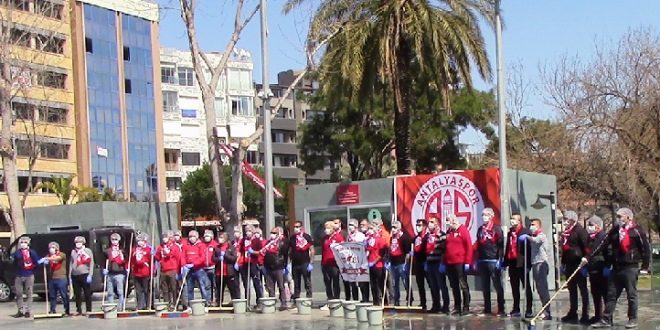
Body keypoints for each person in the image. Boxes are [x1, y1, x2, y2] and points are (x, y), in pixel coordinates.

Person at [592, 208, 651, 329]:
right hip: (617, 266)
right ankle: (606, 318)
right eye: (617, 216)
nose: (618, 219)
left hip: (630, 266)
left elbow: (645, 249)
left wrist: (645, 266)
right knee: (611, 294)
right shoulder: (615, 230)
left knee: (631, 294)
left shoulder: (636, 230)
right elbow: (603, 243)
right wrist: (589, 256)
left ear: (628, 217)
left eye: (620, 216)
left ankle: (632, 318)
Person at [560, 210, 590, 324]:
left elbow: (586, 246)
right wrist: (563, 263)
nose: (564, 221)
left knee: (582, 289)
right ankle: (573, 312)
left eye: (566, 219)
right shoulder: (566, 232)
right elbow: (564, 248)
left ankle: (585, 313)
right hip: (569, 263)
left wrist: (586, 259)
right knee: (572, 289)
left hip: (579, 263)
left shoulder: (579, 231)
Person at [519, 218, 552, 321]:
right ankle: (544, 309)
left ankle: (547, 311)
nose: (531, 226)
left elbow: (536, 241)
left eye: (533, 225)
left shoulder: (541, 236)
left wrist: (527, 237)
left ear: (539, 226)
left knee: (543, 288)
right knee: (538, 288)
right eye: (530, 225)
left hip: (541, 263)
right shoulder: (533, 236)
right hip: (534, 263)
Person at [475, 207, 505, 316]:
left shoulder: (496, 228)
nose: (484, 216)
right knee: (485, 286)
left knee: (497, 285)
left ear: (491, 216)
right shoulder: (480, 229)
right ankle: (487, 308)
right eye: (483, 214)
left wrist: (500, 259)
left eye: (486, 214)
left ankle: (501, 308)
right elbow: (478, 244)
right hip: (483, 260)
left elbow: (501, 245)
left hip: (493, 259)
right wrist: (477, 259)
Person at [503, 213, 533, 318]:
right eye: (511, 218)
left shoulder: (525, 232)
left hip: (522, 263)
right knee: (514, 287)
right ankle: (516, 309)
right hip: (512, 262)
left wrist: (529, 264)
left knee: (526, 287)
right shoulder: (511, 232)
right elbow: (508, 247)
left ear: (519, 221)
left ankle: (529, 309)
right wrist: (505, 261)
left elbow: (529, 249)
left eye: (514, 219)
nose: (512, 220)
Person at [444, 214, 473, 316]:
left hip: (460, 262)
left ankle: (466, 306)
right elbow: (446, 246)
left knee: (463, 284)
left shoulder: (463, 230)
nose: (447, 223)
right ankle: (457, 307)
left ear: (453, 220)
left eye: (448, 221)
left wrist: (468, 262)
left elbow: (469, 246)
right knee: (454, 285)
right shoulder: (449, 232)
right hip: (449, 262)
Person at [12, 236, 45, 318]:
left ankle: (28, 310)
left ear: (28, 244)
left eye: (25, 243)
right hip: (19, 275)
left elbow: (37, 261)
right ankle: (20, 310)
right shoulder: (17, 252)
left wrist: (35, 266)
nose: (23, 244)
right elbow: (13, 260)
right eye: (22, 243)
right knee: (19, 293)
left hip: (29, 274)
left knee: (29, 293)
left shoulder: (32, 252)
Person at [585, 215, 610, 324]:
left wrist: (607, 266)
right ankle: (597, 315)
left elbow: (608, 253)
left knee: (605, 294)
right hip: (592, 269)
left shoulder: (603, 236)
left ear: (598, 226)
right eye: (589, 225)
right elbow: (587, 252)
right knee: (595, 293)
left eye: (591, 225)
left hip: (601, 268)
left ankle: (607, 317)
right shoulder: (590, 238)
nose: (589, 227)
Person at [424, 217, 449, 314]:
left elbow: (444, 250)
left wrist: (442, 263)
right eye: (429, 222)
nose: (430, 224)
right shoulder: (428, 236)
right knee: (433, 286)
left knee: (442, 285)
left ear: (436, 224)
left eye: (432, 222)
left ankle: (445, 306)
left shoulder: (441, 235)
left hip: (438, 262)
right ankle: (436, 305)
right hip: (430, 262)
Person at [181, 230, 212, 306]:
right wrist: (184, 265)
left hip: (198, 269)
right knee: (189, 288)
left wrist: (194, 264)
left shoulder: (201, 245)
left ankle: (206, 303)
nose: (191, 238)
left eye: (193, 236)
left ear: (197, 237)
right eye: (190, 237)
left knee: (203, 286)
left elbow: (202, 258)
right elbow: (183, 256)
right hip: (189, 270)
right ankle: (190, 305)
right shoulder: (186, 245)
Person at [262, 226, 289, 310]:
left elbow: (285, 253)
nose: (272, 235)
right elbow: (264, 253)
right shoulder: (268, 243)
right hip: (269, 267)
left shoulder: (282, 242)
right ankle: (272, 302)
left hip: (279, 266)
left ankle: (283, 303)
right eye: (271, 233)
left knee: (281, 286)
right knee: (270, 287)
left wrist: (286, 265)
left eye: (274, 233)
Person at [387, 220, 413, 307]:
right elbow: (391, 250)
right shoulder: (392, 238)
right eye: (392, 227)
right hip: (393, 263)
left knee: (405, 282)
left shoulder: (404, 237)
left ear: (399, 228)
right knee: (395, 283)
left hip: (402, 263)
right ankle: (396, 300)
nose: (393, 229)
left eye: (395, 227)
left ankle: (409, 298)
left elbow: (407, 252)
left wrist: (406, 263)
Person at [320, 220, 344, 310]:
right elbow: (323, 251)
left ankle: (336, 300)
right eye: (325, 228)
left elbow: (342, 250)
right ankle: (329, 300)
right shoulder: (324, 238)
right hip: (325, 264)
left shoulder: (338, 237)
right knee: (327, 283)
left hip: (334, 264)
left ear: (333, 229)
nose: (326, 230)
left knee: (335, 282)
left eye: (328, 228)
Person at [289, 221, 314, 300]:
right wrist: (289, 263)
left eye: (297, 227)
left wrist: (311, 262)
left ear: (301, 227)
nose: (295, 229)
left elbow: (312, 250)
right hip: (295, 263)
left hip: (305, 263)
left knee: (307, 281)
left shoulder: (306, 237)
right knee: (296, 282)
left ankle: (309, 298)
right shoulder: (292, 238)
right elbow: (290, 250)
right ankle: (296, 299)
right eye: (294, 227)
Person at [156, 231, 180, 311]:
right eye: (163, 237)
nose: (164, 239)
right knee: (165, 289)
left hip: (172, 269)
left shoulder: (174, 246)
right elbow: (158, 258)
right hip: (163, 270)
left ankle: (175, 303)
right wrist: (155, 255)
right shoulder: (160, 247)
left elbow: (178, 257)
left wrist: (178, 269)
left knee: (173, 288)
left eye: (166, 237)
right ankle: (166, 303)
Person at [366, 218, 388, 306]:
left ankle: (385, 302)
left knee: (381, 285)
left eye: (371, 228)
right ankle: (376, 302)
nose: (369, 230)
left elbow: (382, 253)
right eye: (369, 229)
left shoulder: (380, 239)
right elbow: (368, 251)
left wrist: (374, 262)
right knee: (373, 285)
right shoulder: (369, 240)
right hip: (371, 266)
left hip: (378, 265)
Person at [214, 232, 240, 306]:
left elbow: (234, 258)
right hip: (219, 272)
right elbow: (213, 258)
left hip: (229, 272)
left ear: (226, 238)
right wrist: (218, 259)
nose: (220, 239)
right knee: (219, 289)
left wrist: (225, 255)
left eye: (222, 237)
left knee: (232, 288)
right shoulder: (216, 248)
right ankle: (218, 302)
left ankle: (235, 302)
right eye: (219, 237)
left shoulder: (231, 247)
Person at [239, 225, 263, 304]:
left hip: (253, 263)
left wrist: (253, 252)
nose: (248, 233)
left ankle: (259, 300)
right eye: (246, 231)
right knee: (246, 284)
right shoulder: (243, 240)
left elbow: (261, 251)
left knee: (256, 282)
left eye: (249, 231)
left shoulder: (256, 240)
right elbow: (240, 251)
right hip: (245, 263)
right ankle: (247, 301)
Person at [70, 236, 94, 316]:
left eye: (79, 242)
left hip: (84, 274)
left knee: (87, 293)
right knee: (77, 294)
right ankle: (78, 309)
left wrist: (90, 274)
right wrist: (70, 274)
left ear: (83, 243)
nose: (78, 244)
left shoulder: (87, 251)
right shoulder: (73, 251)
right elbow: (71, 263)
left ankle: (89, 309)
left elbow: (91, 263)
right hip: (75, 275)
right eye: (76, 242)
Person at [45, 241, 70, 316]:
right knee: (52, 295)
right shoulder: (48, 255)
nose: (51, 249)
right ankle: (52, 309)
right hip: (52, 278)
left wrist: (46, 259)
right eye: (50, 248)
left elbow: (57, 258)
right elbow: (48, 260)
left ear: (57, 248)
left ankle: (67, 310)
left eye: (53, 248)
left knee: (64, 295)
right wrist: (44, 261)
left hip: (61, 278)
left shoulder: (62, 254)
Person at [346, 218, 366, 302]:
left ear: (356, 226)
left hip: (359, 261)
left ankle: (364, 299)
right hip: (351, 262)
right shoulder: (348, 236)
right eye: (349, 225)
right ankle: (355, 299)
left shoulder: (361, 235)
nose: (350, 227)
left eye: (352, 225)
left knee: (361, 282)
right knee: (352, 282)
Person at [104, 233, 126, 309]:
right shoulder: (108, 251)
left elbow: (125, 260)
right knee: (110, 292)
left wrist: (126, 268)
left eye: (116, 240)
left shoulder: (121, 250)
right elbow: (104, 260)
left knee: (120, 292)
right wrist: (104, 269)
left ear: (118, 240)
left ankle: (120, 307)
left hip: (120, 273)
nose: (114, 241)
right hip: (110, 273)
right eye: (112, 239)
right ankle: (111, 306)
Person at [131, 233, 153, 310]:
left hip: (145, 273)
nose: (139, 242)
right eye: (138, 241)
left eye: (141, 240)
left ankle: (148, 304)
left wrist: (152, 271)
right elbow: (132, 261)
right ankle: (140, 305)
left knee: (147, 290)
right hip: (137, 273)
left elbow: (151, 262)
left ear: (144, 241)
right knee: (138, 291)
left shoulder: (148, 249)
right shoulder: (134, 249)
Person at [412, 218, 429, 310]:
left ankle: (436, 302)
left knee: (431, 283)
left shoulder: (427, 237)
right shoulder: (415, 238)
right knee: (420, 284)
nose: (418, 227)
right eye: (417, 225)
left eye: (420, 225)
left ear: (425, 226)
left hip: (425, 262)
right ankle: (423, 303)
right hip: (418, 264)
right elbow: (412, 249)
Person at [202, 229, 218, 304]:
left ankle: (215, 299)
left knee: (215, 284)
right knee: (207, 285)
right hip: (204, 268)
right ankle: (207, 300)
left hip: (213, 267)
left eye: (208, 236)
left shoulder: (215, 244)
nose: (206, 238)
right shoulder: (202, 245)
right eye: (205, 236)